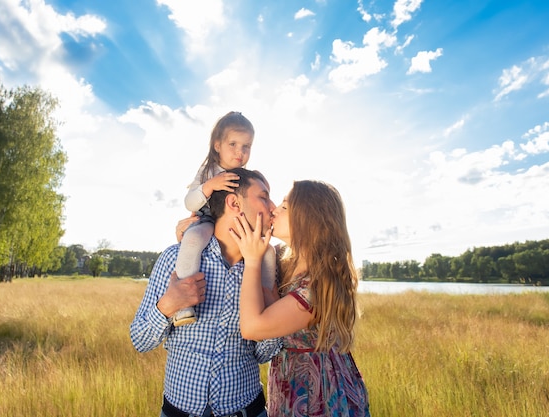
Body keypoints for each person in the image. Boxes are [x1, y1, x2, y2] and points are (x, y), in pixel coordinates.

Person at [130, 168, 281, 417]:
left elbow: (264, 355)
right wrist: (168, 305)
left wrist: (271, 315)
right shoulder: (175, 259)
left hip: (248, 410)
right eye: (264, 197)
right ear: (234, 202)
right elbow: (140, 341)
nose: (273, 207)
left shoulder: (267, 272)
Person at [229, 180, 371, 417]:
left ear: (308, 219)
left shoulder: (319, 284)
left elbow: (253, 327)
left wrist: (252, 260)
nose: (274, 209)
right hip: (289, 383)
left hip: (319, 393)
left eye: (285, 206)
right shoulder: (283, 260)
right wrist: (197, 226)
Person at [173, 111, 277, 326]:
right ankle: (183, 303)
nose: (240, 152)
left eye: (246, 146)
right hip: (205, 221)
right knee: (192, 241)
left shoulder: (247, 177)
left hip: (233, 227)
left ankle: (267, 302)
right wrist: (209, 186)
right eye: (233, 144)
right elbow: (189, 203)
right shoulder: (208, 171)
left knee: (268, 250)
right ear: (217, 145)